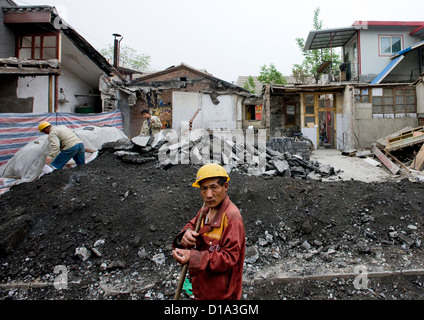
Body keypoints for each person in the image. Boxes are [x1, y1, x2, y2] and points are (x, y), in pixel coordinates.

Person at [172, 163, 245, 300]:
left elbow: (229, 258)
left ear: (225, 187)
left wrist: (192, 257)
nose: (208, 195)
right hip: (204, 286)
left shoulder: (231, 217)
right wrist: (185, 235)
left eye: (214, 187)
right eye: (204, 188)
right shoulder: (205, 210)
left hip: (222, 293)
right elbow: (192, 225)